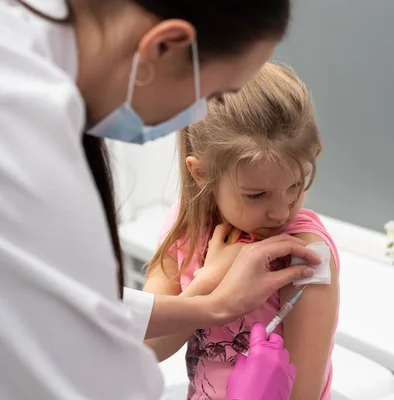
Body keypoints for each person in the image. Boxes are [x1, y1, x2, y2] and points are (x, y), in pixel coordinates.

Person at [0, 0, 320, 398]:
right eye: (216, 92)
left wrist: (211, 301)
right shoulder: (23, 133)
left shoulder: (307, 249)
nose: (198, 115)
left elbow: (94, 310)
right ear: (164, 46)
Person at [143, 63, 340, 400]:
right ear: (201, 173)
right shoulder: (184, 230)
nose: (280, 211)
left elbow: (303, 393)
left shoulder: (305, 252)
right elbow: (147, 347)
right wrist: (209, 282)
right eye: (256, 195)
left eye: (295, 185)